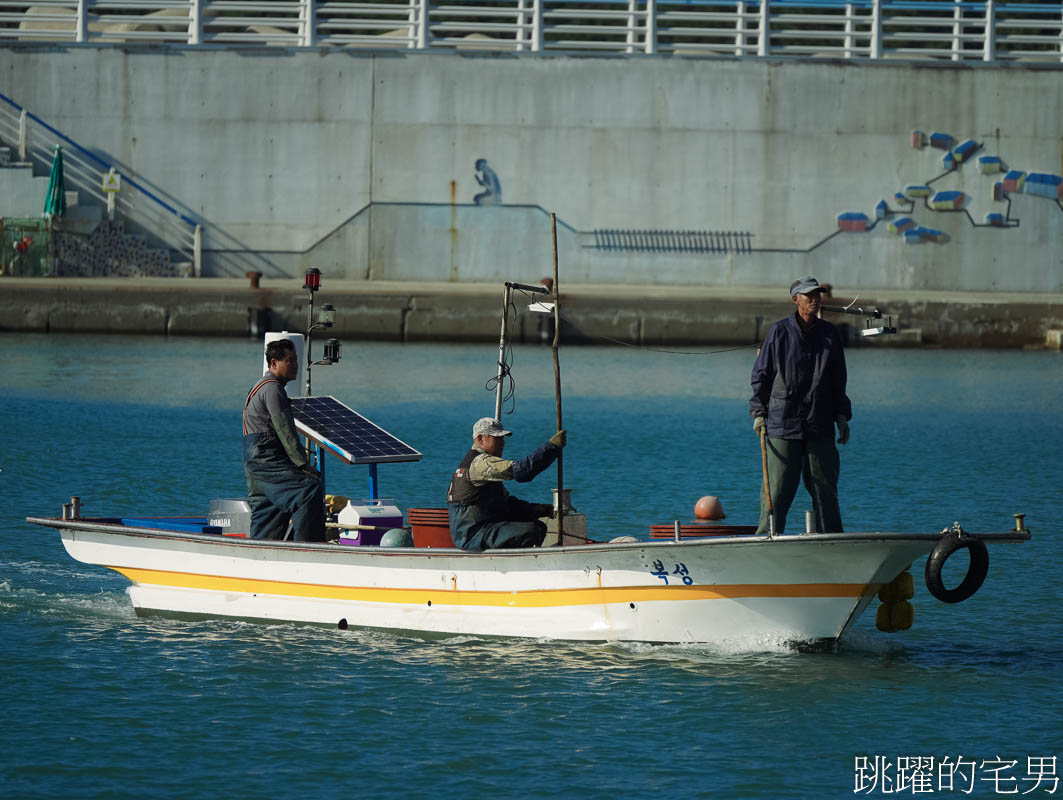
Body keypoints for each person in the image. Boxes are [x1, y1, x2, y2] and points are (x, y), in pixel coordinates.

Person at [749, 276, 852, 534]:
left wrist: (841, 415)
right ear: (796, 299)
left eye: (817, 295)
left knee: (825, 488)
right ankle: (767, 539)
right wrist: (758, 413)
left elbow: (839, 378)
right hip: (782, 423)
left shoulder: (829, 334)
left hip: (820, 423)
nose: (815, 300)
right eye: (809, 295)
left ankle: (832, 541)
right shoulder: (779, 331)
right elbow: (761, 375)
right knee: (777, 490)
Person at [242, 339, 325, 542]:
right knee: (308, 489)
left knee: (268, 510)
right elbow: (286, 431)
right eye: (289, 360)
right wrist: (304, 465)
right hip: (266, 459)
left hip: (255, 462)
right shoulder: (272, 389)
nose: (295, 365)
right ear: (273, 363)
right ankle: (307, 548)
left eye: (296, 360)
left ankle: (261, 552)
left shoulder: (262, 386)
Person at [446, 418, 566, 551]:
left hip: (482, 529)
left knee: (538, 526)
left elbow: (507, 505)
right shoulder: (481, 464)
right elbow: (521, 472)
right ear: (480, 440)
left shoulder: (476, 465)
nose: (502, 443)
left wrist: (538, 509)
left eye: (503, 439)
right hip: (473, 535)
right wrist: (552, 447)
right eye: (497, 439)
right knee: (531, 530)